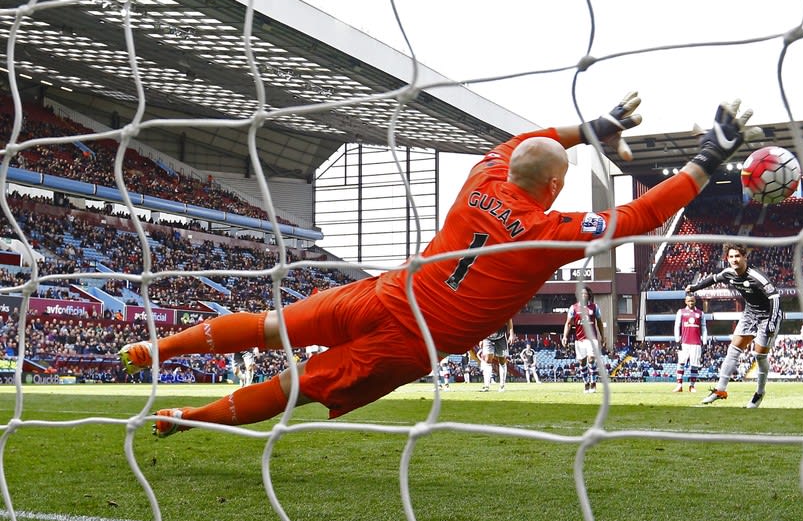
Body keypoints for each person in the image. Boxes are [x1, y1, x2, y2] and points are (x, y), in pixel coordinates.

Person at [117, 93, 759, 437]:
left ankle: (150, 351)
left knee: (269, 326)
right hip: (411, 339)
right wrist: (710, 156)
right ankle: (184, 419)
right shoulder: (544, 231)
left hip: (385, 293)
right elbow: (642, 217)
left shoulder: (481, 176)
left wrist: (588, 127)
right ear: (557, 188)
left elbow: (522, 145)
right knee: (299, 387)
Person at [688, 242, 782, 408]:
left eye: (737, 256)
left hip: (768, 316)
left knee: (759, 356)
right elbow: (713, 279)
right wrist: (695, 287)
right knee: (733, 349)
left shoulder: (757, 276)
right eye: (731, 256)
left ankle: (759, 393)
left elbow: (775, 297)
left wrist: (772, 322)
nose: (734, 260)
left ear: (745, 257)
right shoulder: (729, 273)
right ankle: (720, 390)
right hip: (750, 314)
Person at [562, 288, 606, 393]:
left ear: (588, 295)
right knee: (582, 362)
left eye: (585, 293)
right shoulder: (573, 308)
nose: (583, 295)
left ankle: (593, 382)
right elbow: (568, 323)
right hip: (579, 339)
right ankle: (586, 382)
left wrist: (602, 337)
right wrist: (565, 336)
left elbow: (599, 322)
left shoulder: (594, 307)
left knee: (591, 358)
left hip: (592, 338)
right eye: (581, 293)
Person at [672, 292, 706, 393]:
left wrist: (704, 341)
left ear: (695, 301)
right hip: (684, 342)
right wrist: (677, 340)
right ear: (686, 301)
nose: (691, 302)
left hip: (696, 343)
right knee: (681, 363)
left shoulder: (700, 313)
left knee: (694, 365)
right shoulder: (681, 312)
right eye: (689, 301)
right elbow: (677, 326)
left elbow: (704, 328)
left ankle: (692, 386)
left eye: (692, 300)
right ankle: (679, 385)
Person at [479, 319, 515, 392]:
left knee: (502, 360)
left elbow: (509, 319)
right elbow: (481, 323)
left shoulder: (502, 309)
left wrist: (511, 335)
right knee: (487, 360)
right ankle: (486, 386)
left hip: (501, 337)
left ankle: (502, 385)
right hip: (487, 338)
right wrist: (481, 339)